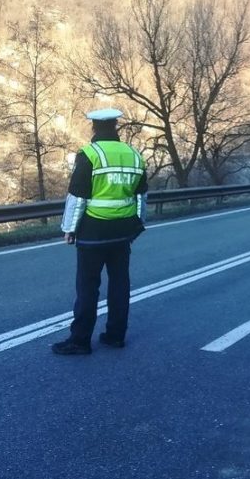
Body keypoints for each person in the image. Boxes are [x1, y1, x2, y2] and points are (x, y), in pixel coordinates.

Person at [52, 108, 148, 355]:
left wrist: (69, 229)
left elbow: (78, 197)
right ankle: (115, 336)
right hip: (122, 232)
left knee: (87, 286)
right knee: (119, 284)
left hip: (93, 231)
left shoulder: (89, 154)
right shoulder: (134, 155)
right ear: (116, 126)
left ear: (94, 127)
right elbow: (141, 197)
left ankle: (80, 340)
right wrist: (137, 225)